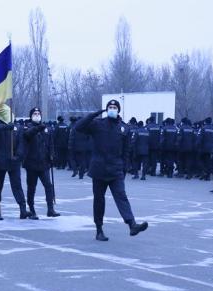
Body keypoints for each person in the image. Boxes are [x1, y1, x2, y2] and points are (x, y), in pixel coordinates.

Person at [74, 99, 149, 241]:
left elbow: (126, 151)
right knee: (99, 201)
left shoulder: (124, 128)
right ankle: (99, 230)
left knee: (121, 196)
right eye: (110, 107)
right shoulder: (97, 124)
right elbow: (78, 127)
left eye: (115, 107)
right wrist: (94, 114)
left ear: (118, 110)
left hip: (116, 169)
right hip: (99, 169)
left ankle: (132, 224)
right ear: (106, 109)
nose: (112, 109)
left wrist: (124, 168)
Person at [20, 107, 60, 220]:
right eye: (35, 113)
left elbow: (51, 143)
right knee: (31, 187)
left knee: (48, 185)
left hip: (44, 163)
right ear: (31, 116)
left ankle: (50, 209)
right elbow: (27, 135)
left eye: (38, 113)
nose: (37, 115)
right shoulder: (27, 127)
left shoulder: (46, 128)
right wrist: (38, 128)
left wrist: (52, 155)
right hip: (31, 163)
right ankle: (32, 210)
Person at [0, 116, 28, 219]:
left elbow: (21, 144)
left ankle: (23, 209)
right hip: (0, 162)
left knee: (17, 186)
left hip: (14, 161)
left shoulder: (18, 127)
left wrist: (18, 156)